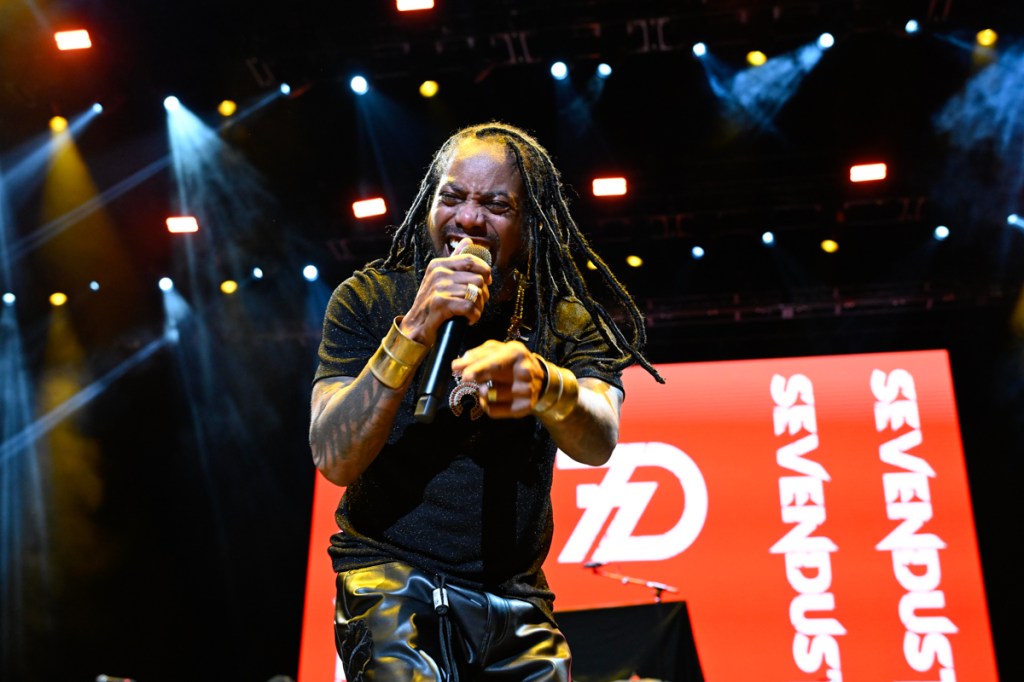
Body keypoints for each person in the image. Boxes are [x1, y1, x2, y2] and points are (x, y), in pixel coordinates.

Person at [309, 121, 663, 682]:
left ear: (530, 221)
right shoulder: (367, 298)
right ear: (430, 200)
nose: (469, 219)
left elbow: (600, 439)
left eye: (496, 205)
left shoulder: (567, 319)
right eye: (452, 197)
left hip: (514, 597)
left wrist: (547, 386)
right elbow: (334, 458)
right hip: (389, 580)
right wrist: (414, 329)